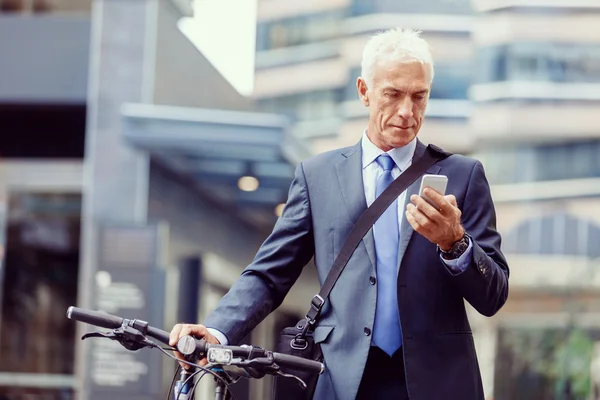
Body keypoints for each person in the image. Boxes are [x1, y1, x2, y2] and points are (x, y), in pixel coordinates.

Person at [169, 28, 509, 399]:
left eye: (419, 96)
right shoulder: (317, 177)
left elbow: (493, 296)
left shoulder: (462, 175)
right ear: (364, 91)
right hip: (342, 379)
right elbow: (269, 274)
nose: (407, 111)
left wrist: (455, 244)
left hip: (438, 382)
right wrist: (216, 331)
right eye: (393, 94)